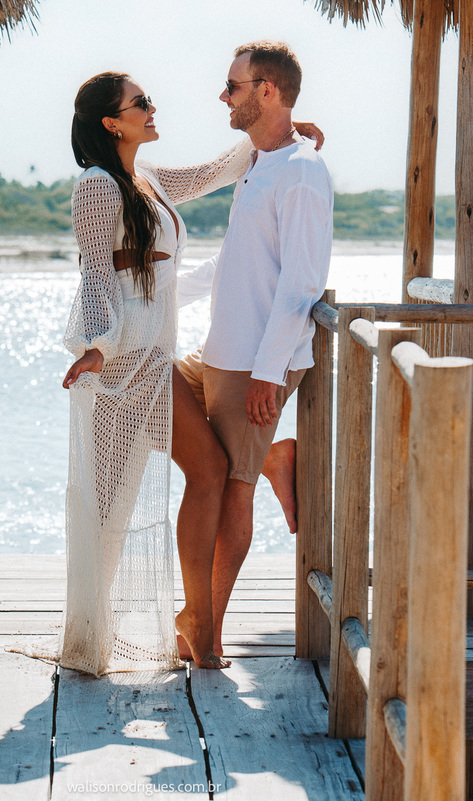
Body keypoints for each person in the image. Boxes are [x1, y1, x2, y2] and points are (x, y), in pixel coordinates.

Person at [57, 72, 322, 675]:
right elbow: (96, 277)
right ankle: (103, 638)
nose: (153, 108)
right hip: (122, 365)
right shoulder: (98, 187)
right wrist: (96, 345)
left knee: (199, 476)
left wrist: (278, 138)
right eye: (140, 103)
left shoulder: (146, 180)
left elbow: (210, 173)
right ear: (111, 123)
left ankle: (194, 628)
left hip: (156, 359)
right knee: (108, 504)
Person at [175, 41, 335, 659]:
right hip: (218, 351)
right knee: (139, 389)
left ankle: (207, 631)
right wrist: (154, 302)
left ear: (267, 91)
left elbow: (301, 282)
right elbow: (232, 264)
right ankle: (274, 459)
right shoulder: (257, 162)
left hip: (253, 365)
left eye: (234, 86)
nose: (224, 96)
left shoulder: (302, 172)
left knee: (231, 488)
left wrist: (270, 372)